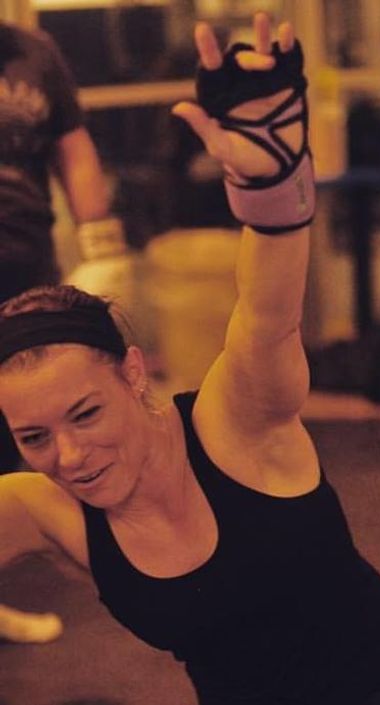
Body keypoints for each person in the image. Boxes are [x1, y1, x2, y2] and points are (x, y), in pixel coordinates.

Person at [0, 12, 380, 705]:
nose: (68, 456)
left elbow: (266, 318)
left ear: (133, 372)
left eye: (86, 413)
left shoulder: (231, 427)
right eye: (33, 436)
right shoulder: (43, 506)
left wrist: (273, 187)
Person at [0, 17, 121, 645]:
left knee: (25, 439)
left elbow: (72, 148)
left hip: (26, 277)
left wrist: (103, 249)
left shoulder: (31, 51)